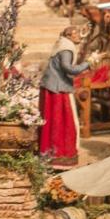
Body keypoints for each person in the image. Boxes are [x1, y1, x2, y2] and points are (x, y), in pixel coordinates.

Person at [39, 26, 98, 166]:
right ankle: (60, 153)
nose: (79, 36)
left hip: (52, 85)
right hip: (58, 88)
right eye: (76, 34)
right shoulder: (66, 48)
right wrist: (87, 63)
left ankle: (50, 152)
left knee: (52, 119)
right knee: (62, 119)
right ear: (69, 36)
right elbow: (68, 68)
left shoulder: (63, 44)